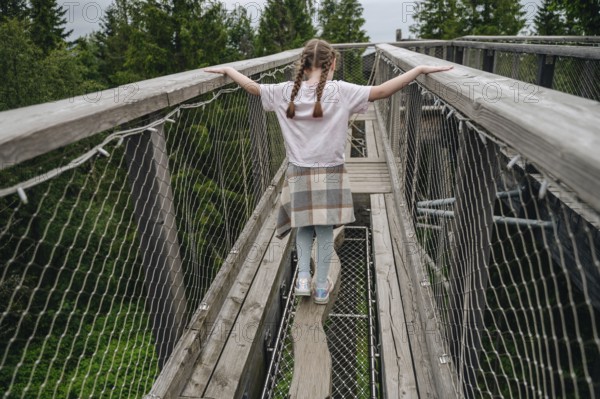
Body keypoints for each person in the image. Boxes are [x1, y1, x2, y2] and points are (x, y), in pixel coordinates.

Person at [205, 38, 452, 304]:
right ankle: (321, 286)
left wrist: (230, 71)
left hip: (298, 170)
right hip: (331, 171)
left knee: (302, 226)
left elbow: (252, 88)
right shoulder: (341, 91)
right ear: (332, 63)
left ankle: (302, 279)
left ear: (302, 64)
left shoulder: (284, 91)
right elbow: (381, 92)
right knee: (324, 230)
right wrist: (416, 71)